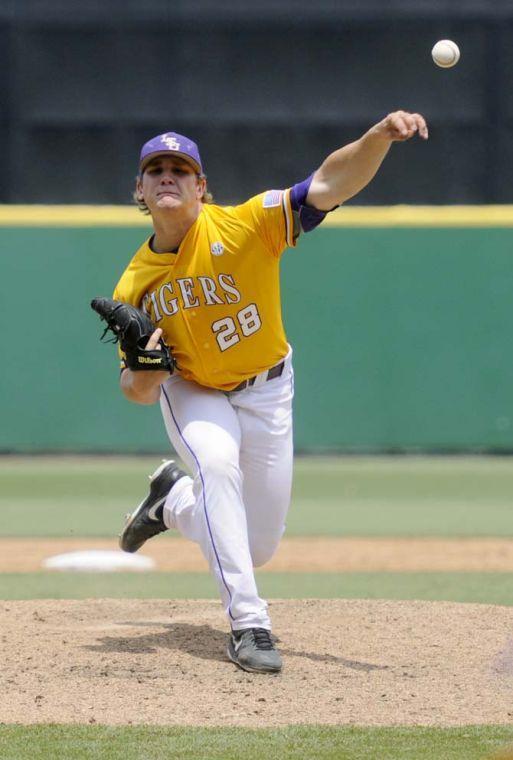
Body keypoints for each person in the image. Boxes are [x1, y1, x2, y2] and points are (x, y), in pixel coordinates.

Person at [112, 112, 428, 674]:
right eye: (155, 169)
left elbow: (330, 184)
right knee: (217, 467)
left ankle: (172, 501)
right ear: (138, 189)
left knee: (255, 548)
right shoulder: (136, 283)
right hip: (194, 390)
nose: (167, 176)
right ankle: (249, 624)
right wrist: (147, 368)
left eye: (180, 169)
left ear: (201, 187)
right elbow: (136, 392)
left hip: (268, 390)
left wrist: (377, 138)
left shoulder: (246, 223)